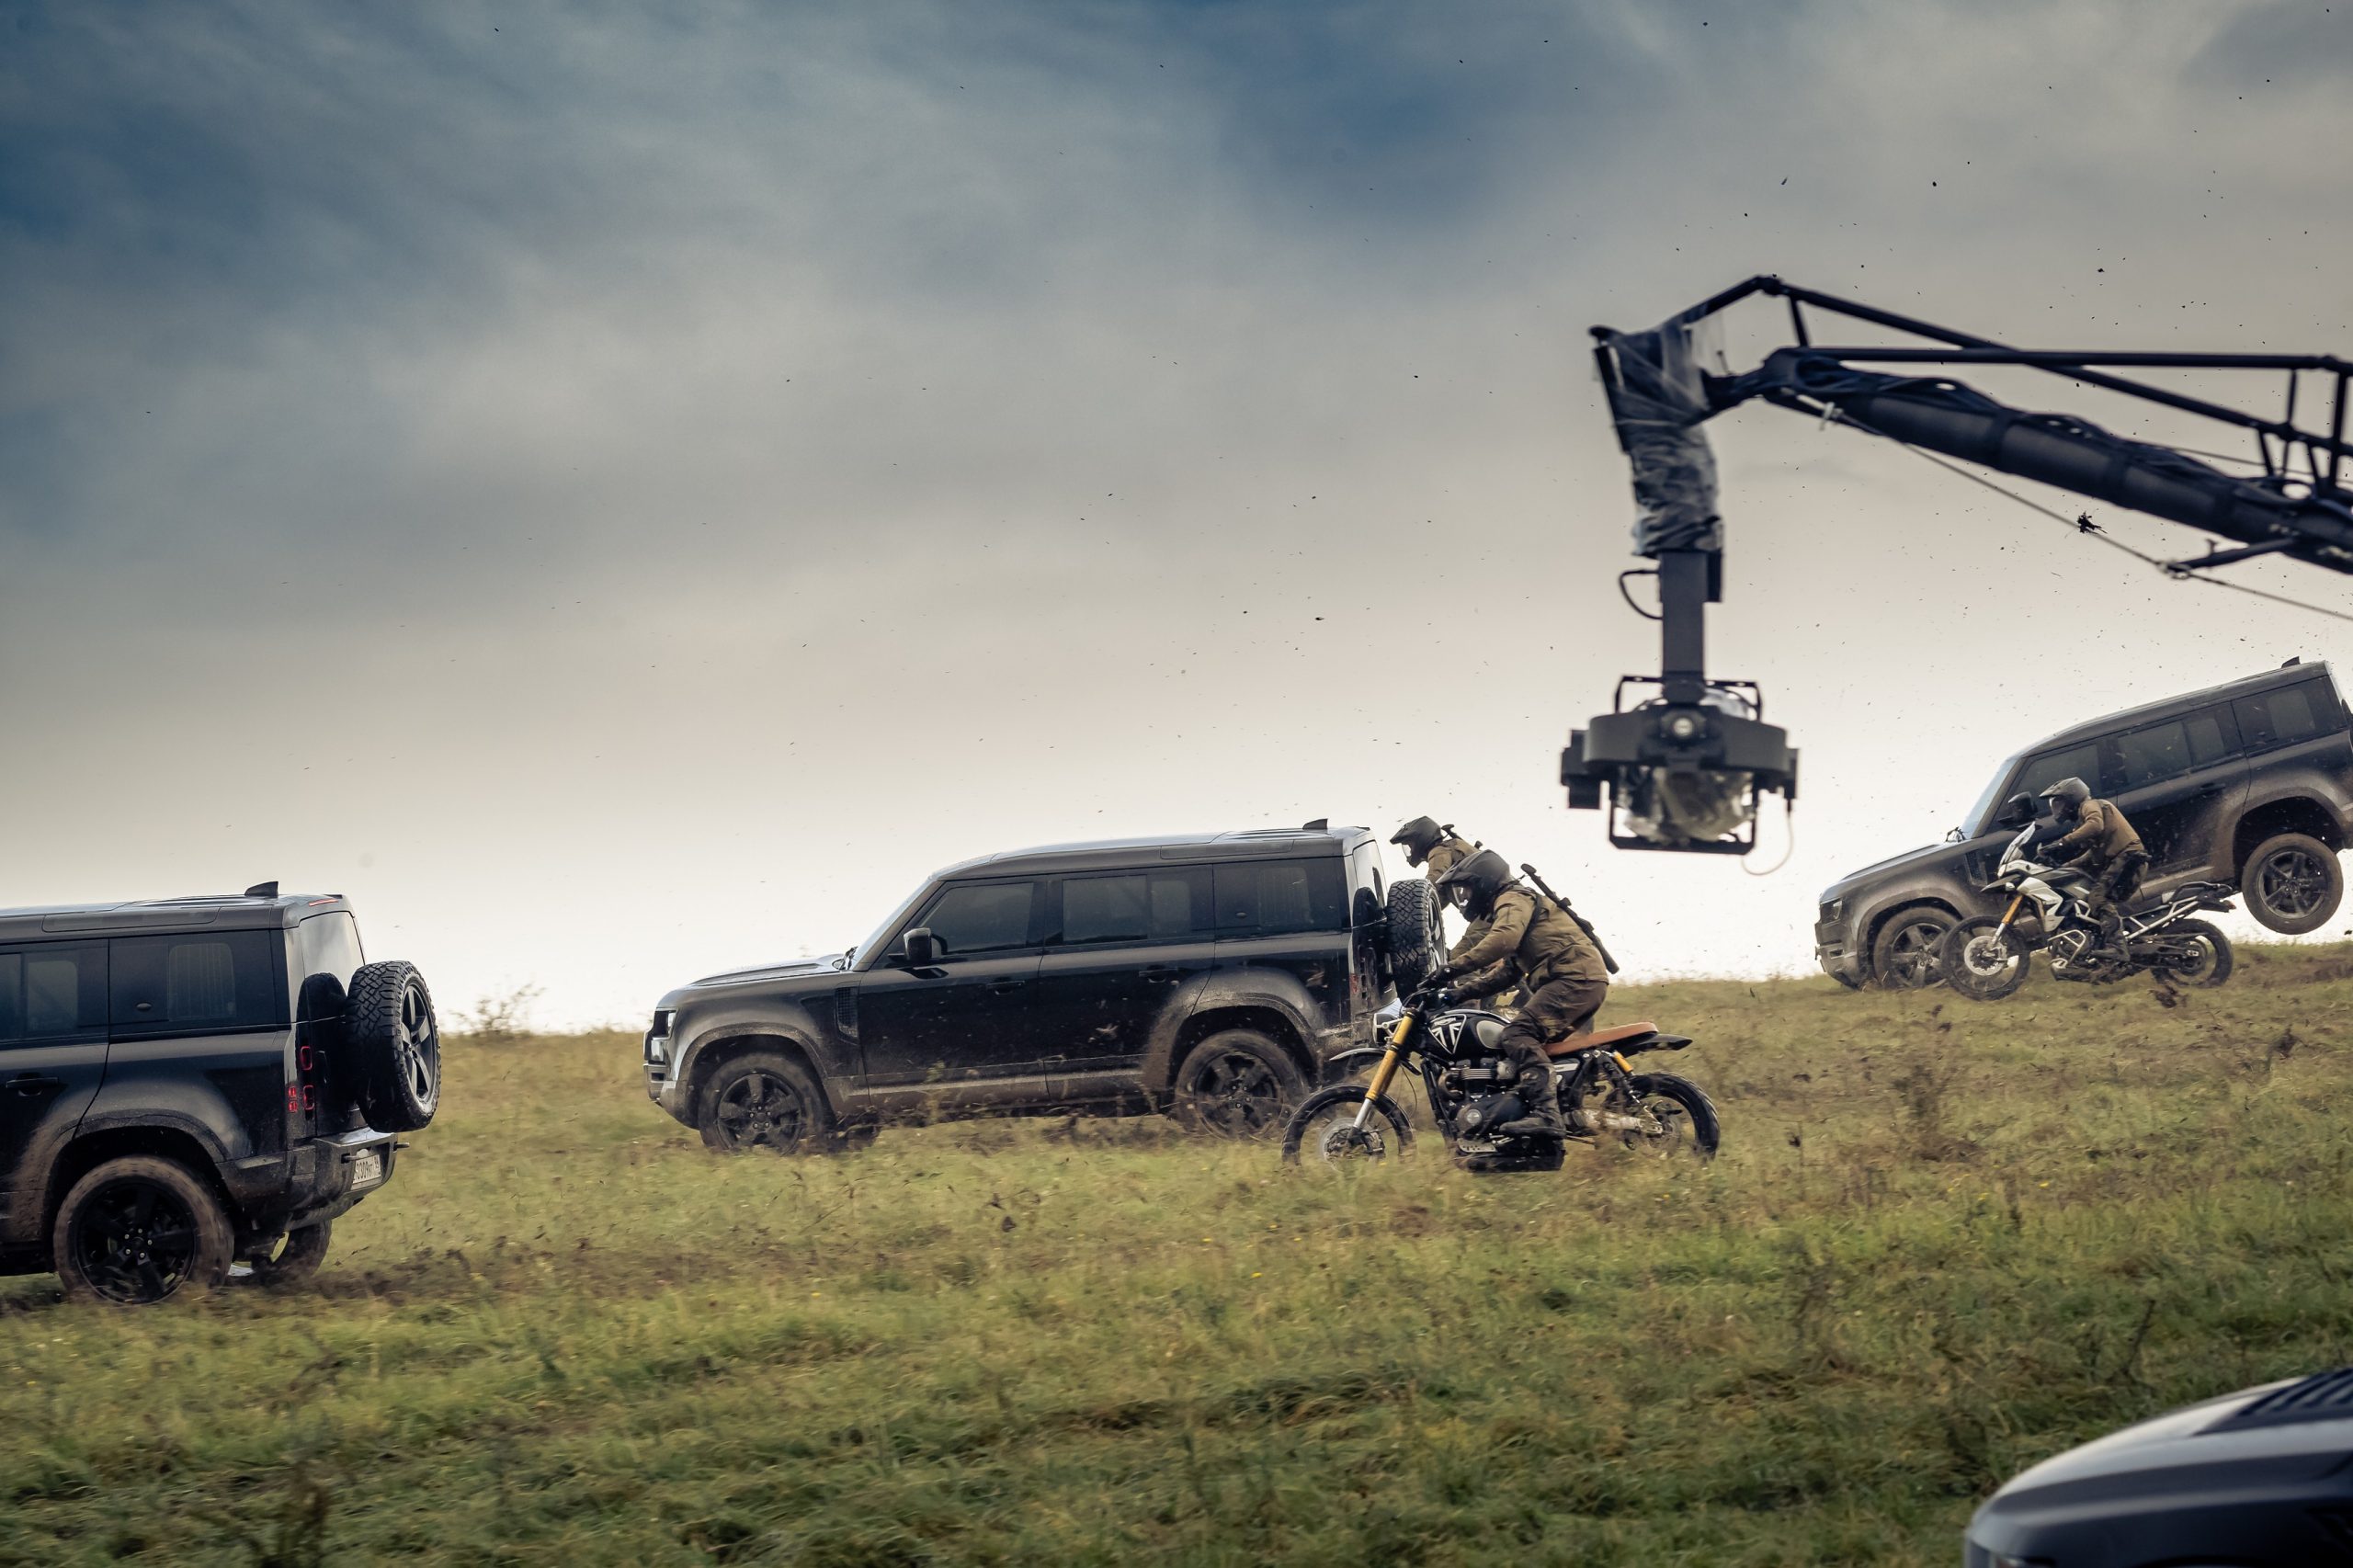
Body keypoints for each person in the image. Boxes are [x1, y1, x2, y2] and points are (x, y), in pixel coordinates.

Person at [1426, 850, 1611, 1142]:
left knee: (1516, 1035)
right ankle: (1546, 1110)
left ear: (1484, 882)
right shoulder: (1518, 905)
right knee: (1518, 1044)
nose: (1463, 899)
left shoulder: (1513, 899)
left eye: (1466, 890)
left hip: (1574, 979)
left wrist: (1452, 968)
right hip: (1577, 979)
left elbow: (1503, 939)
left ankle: (1547, 1117)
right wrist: (1458, 993)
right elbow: (1509, 972)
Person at [2039, 776, 2148, 953]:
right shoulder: (2085, 816)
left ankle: (2118, 948)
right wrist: (2064, 868)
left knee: (2097, 897)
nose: (2058, 809)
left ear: (2073, 797)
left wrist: (2061, 843)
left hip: (2128, 857)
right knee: (2089, 898)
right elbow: (2091, 855)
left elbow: (2095, 825)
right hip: (2125, 859)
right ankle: (2104, 943)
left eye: (2060, 803)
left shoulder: (2090, 806)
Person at [1390, 817, 1480, 881]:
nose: (1411, 851)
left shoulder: (1439, 850)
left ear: (1421, 839)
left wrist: (1413, 901)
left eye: (1411, 846)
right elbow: (1440, 895)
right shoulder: (1453, 846)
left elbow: (1434, 881)